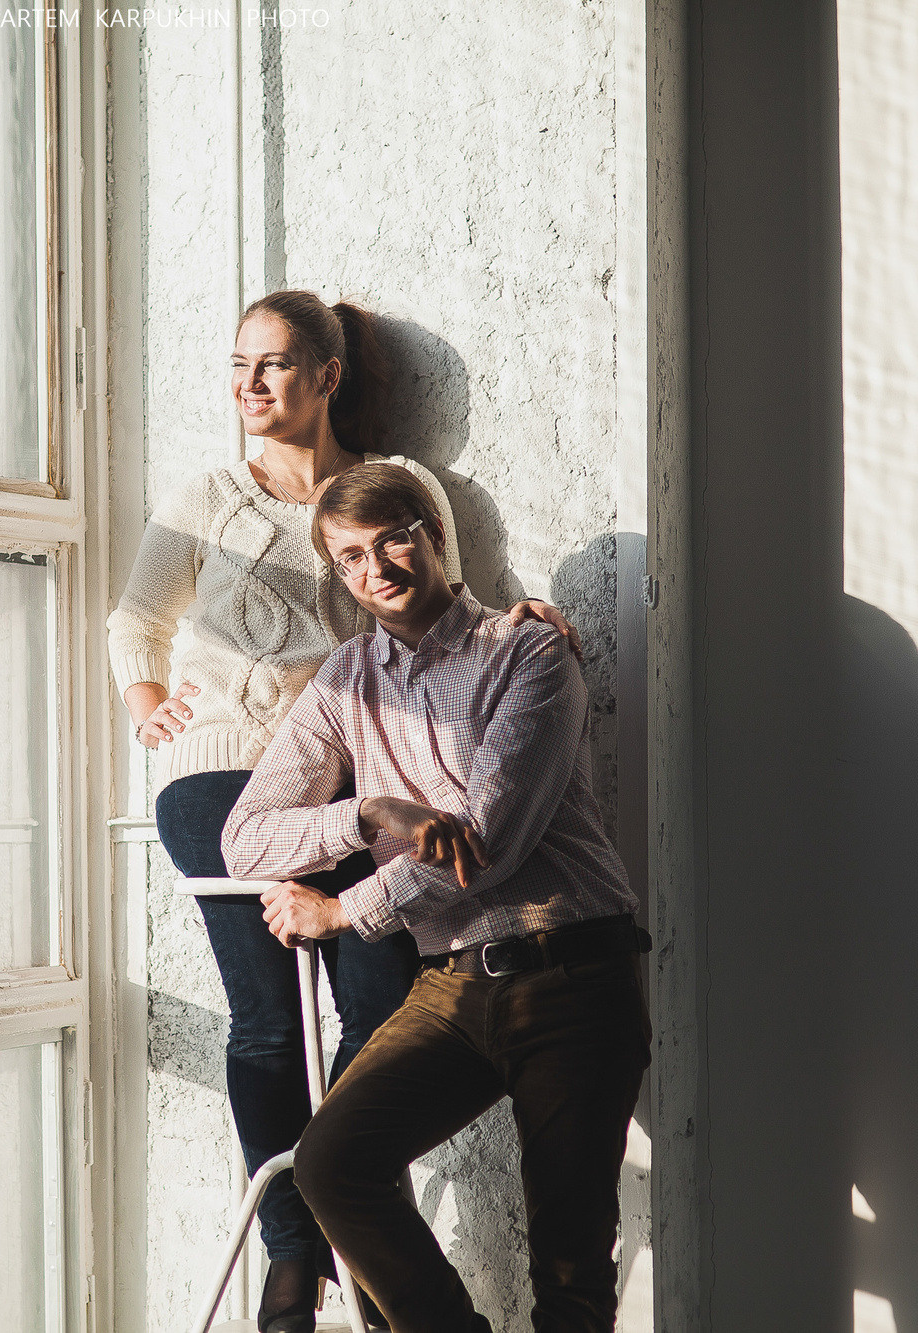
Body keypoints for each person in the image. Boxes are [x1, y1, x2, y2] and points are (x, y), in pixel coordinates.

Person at [108, 290, 574, 1332]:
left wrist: (528, 615)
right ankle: (289, 1261)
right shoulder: (207, 498)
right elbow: (135, 623)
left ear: (327, 375)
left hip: (356, 779)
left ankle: (366, 1237)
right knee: (268, 1020)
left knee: (378, 1008)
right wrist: (151, 713)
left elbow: (453, 597)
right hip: (221, 773)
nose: (249, 386)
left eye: (273, 365)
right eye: (237, 365)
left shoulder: (392, 492)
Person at [222, 464, 650, 1333]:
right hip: (450, 987)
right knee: (333, 1161)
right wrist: (368, 812)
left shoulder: (529, 650)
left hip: (573, 972)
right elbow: (246, 837)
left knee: (570, 1268)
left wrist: (345, 911)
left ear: (434, 535)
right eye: (349, 557)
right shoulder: (345, 681)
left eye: (392, 539)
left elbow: (483, 842)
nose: (374, 566)